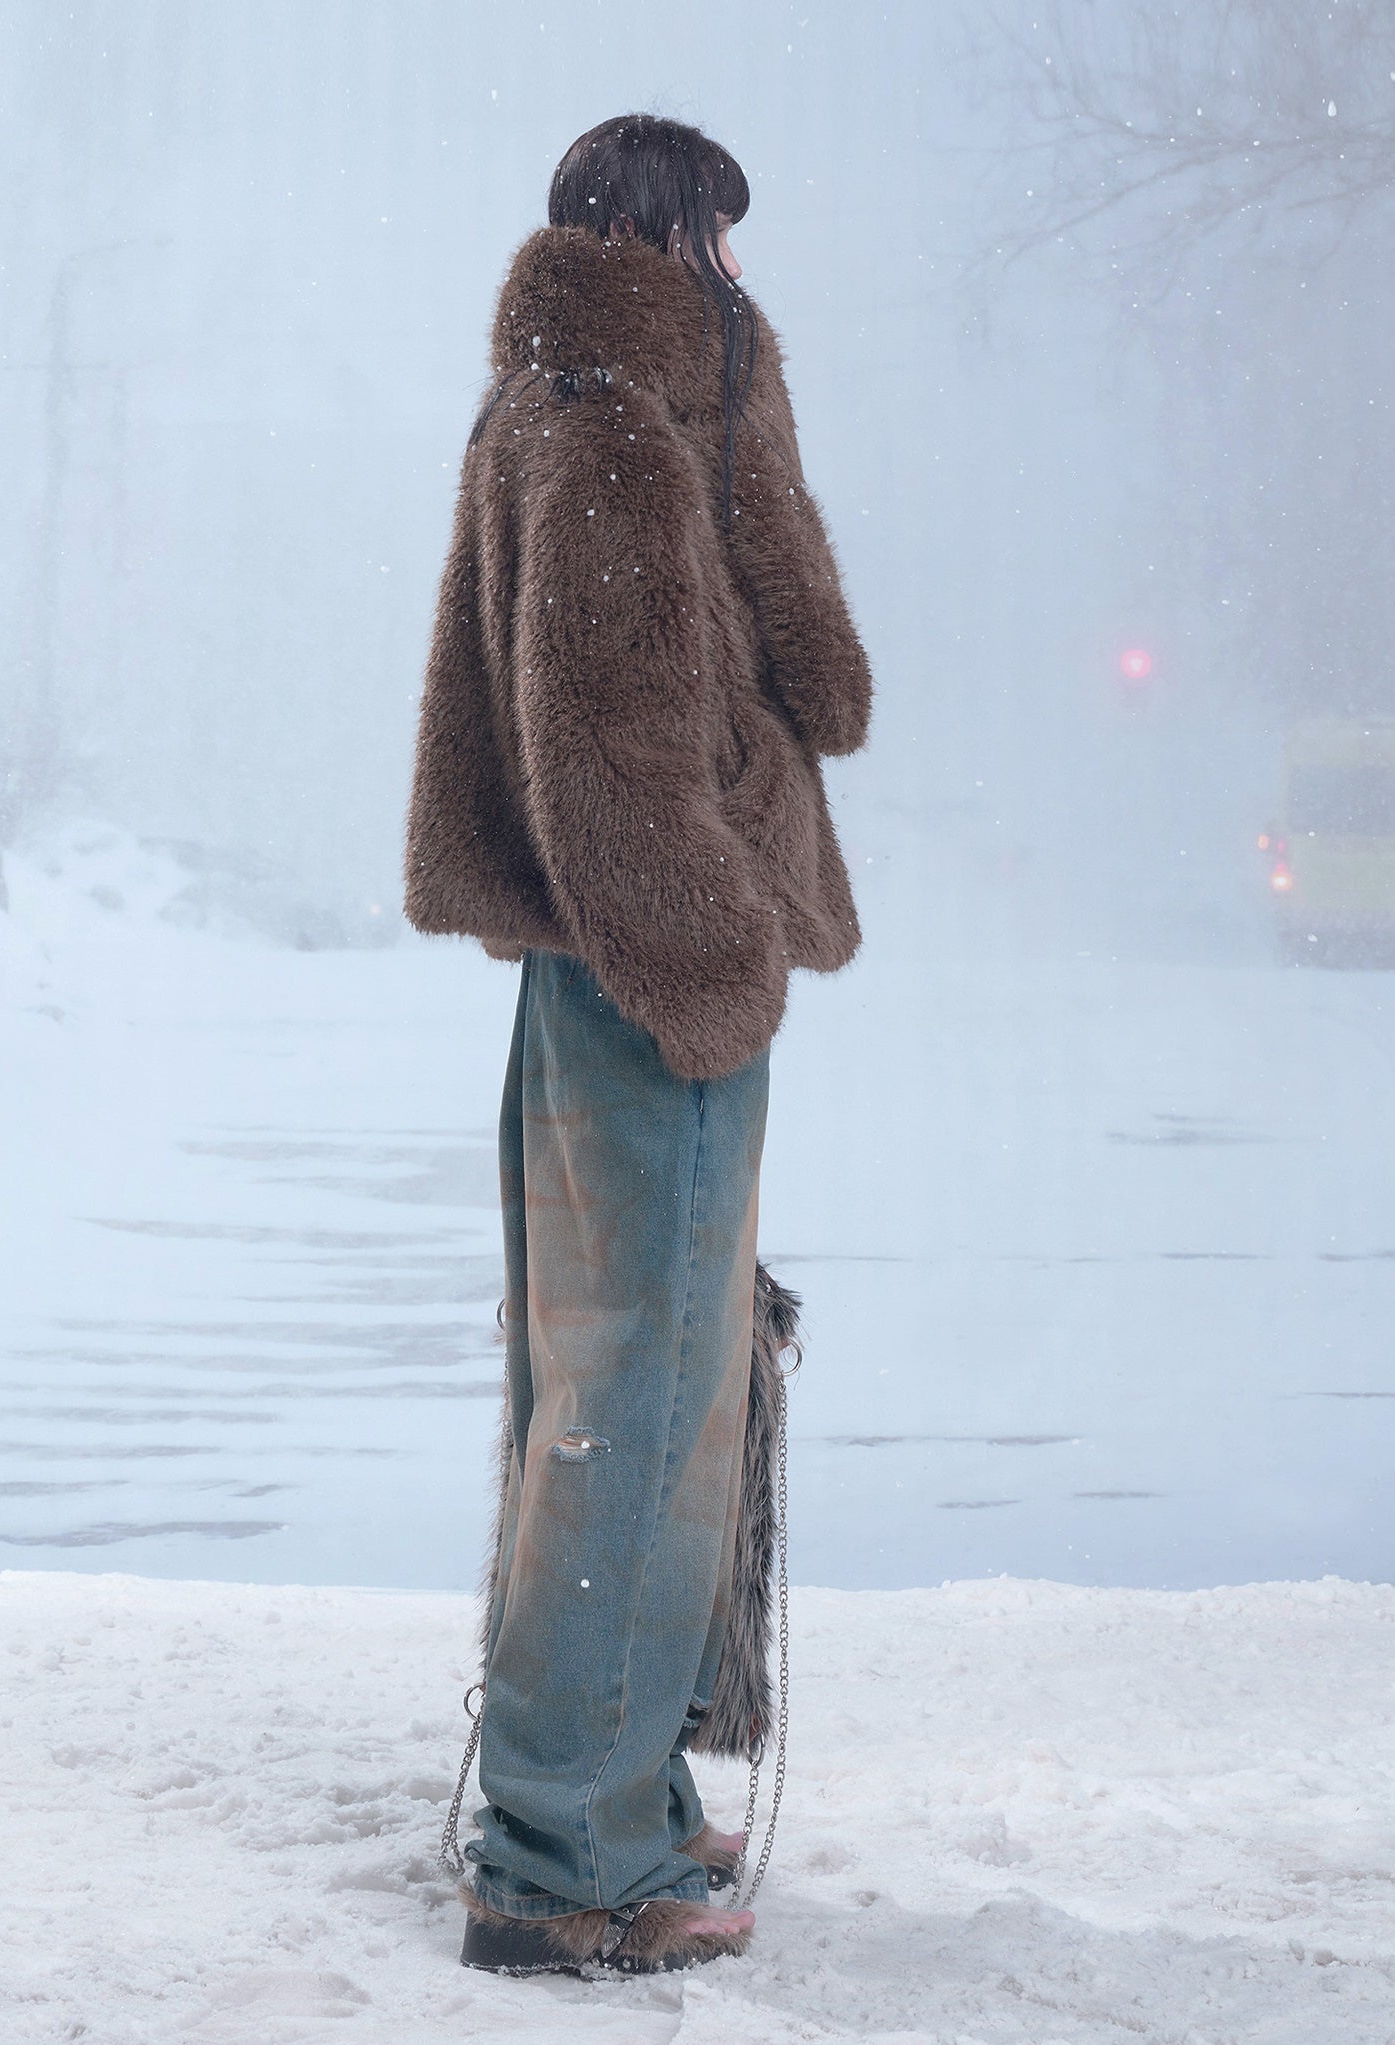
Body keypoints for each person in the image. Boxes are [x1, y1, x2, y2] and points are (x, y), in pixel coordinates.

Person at [404, 112, 872, 1975]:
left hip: (606, 973)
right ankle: (560, 1862)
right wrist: (714, 962)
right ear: (664, 237)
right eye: (722, 246)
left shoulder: (601, 406)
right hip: (647, 974)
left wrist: (741, 416)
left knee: (616, 1390)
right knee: (634, 1405)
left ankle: (609, 1800)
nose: (742, 281)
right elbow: (602, 759)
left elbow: (815, 680)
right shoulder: (598, 422)